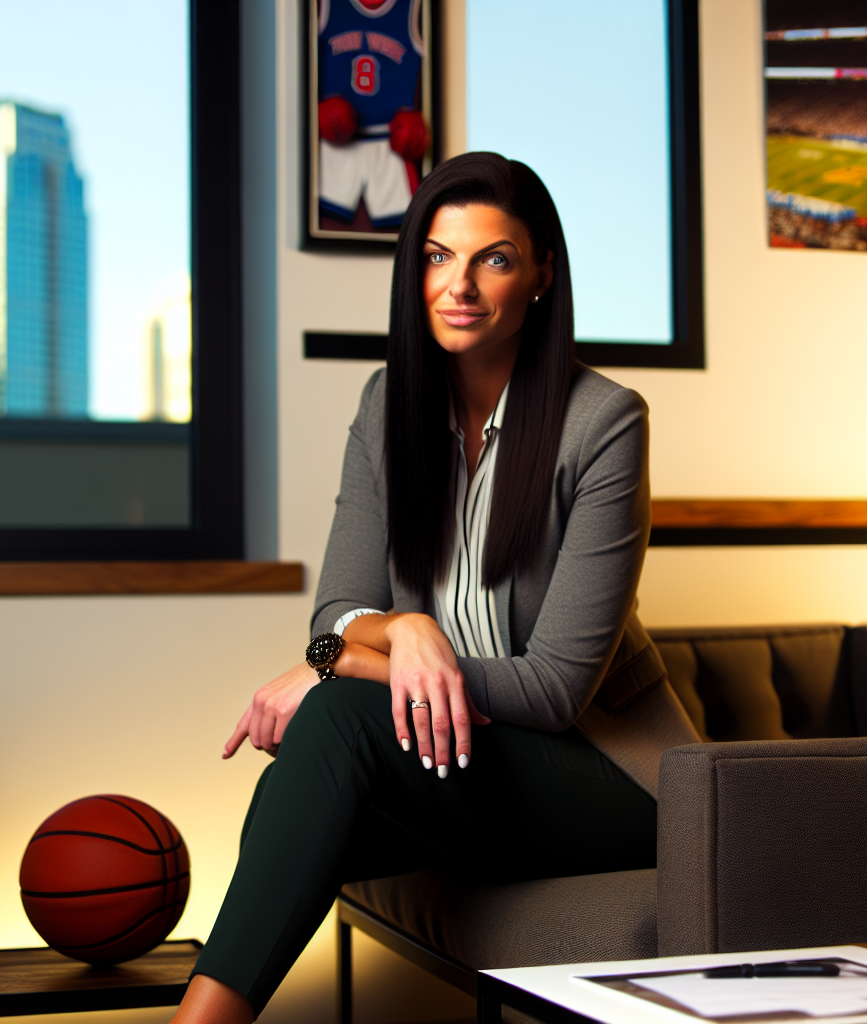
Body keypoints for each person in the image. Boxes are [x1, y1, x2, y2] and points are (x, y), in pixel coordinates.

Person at [172, 152, 699, 1024]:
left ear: (541, 275)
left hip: (607, 777)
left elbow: (555, 688)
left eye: (494, 258)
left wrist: (352, 661)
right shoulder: (387, 408)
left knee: (336, 723)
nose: (461, 284)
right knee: (300, 785)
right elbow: (335, 615)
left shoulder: (604, 423)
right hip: (467, 754)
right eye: (437, 256)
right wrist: (400, 630)